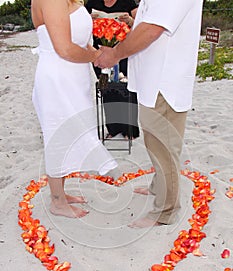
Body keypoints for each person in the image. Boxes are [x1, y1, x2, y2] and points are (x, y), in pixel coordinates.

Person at [95, 0, 203, 228]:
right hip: (153, 79)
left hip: (164, 80)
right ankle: (158, 187)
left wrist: (115, 54)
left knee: (163, 146)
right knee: (154, 141)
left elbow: (154, 28)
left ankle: (166, 210)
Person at [31, 0, 118, 219]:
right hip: (57, 78)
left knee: (70, 133)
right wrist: (96, 57)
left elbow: (80, 42)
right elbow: (65, 49)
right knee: (57, 135)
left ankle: (61, 192)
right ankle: (57, 202)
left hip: (74, 77)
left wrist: (98, 54)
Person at [85, 0, 140, 139]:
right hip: (100, 54)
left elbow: (140, 25)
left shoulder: (127, 2)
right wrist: (87, 20)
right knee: (106, 89)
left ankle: (130, 130)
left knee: (127, 90)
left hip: (122, 52)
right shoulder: (92, 2)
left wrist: (130, 21)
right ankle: (113, 129)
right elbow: (79, 25)